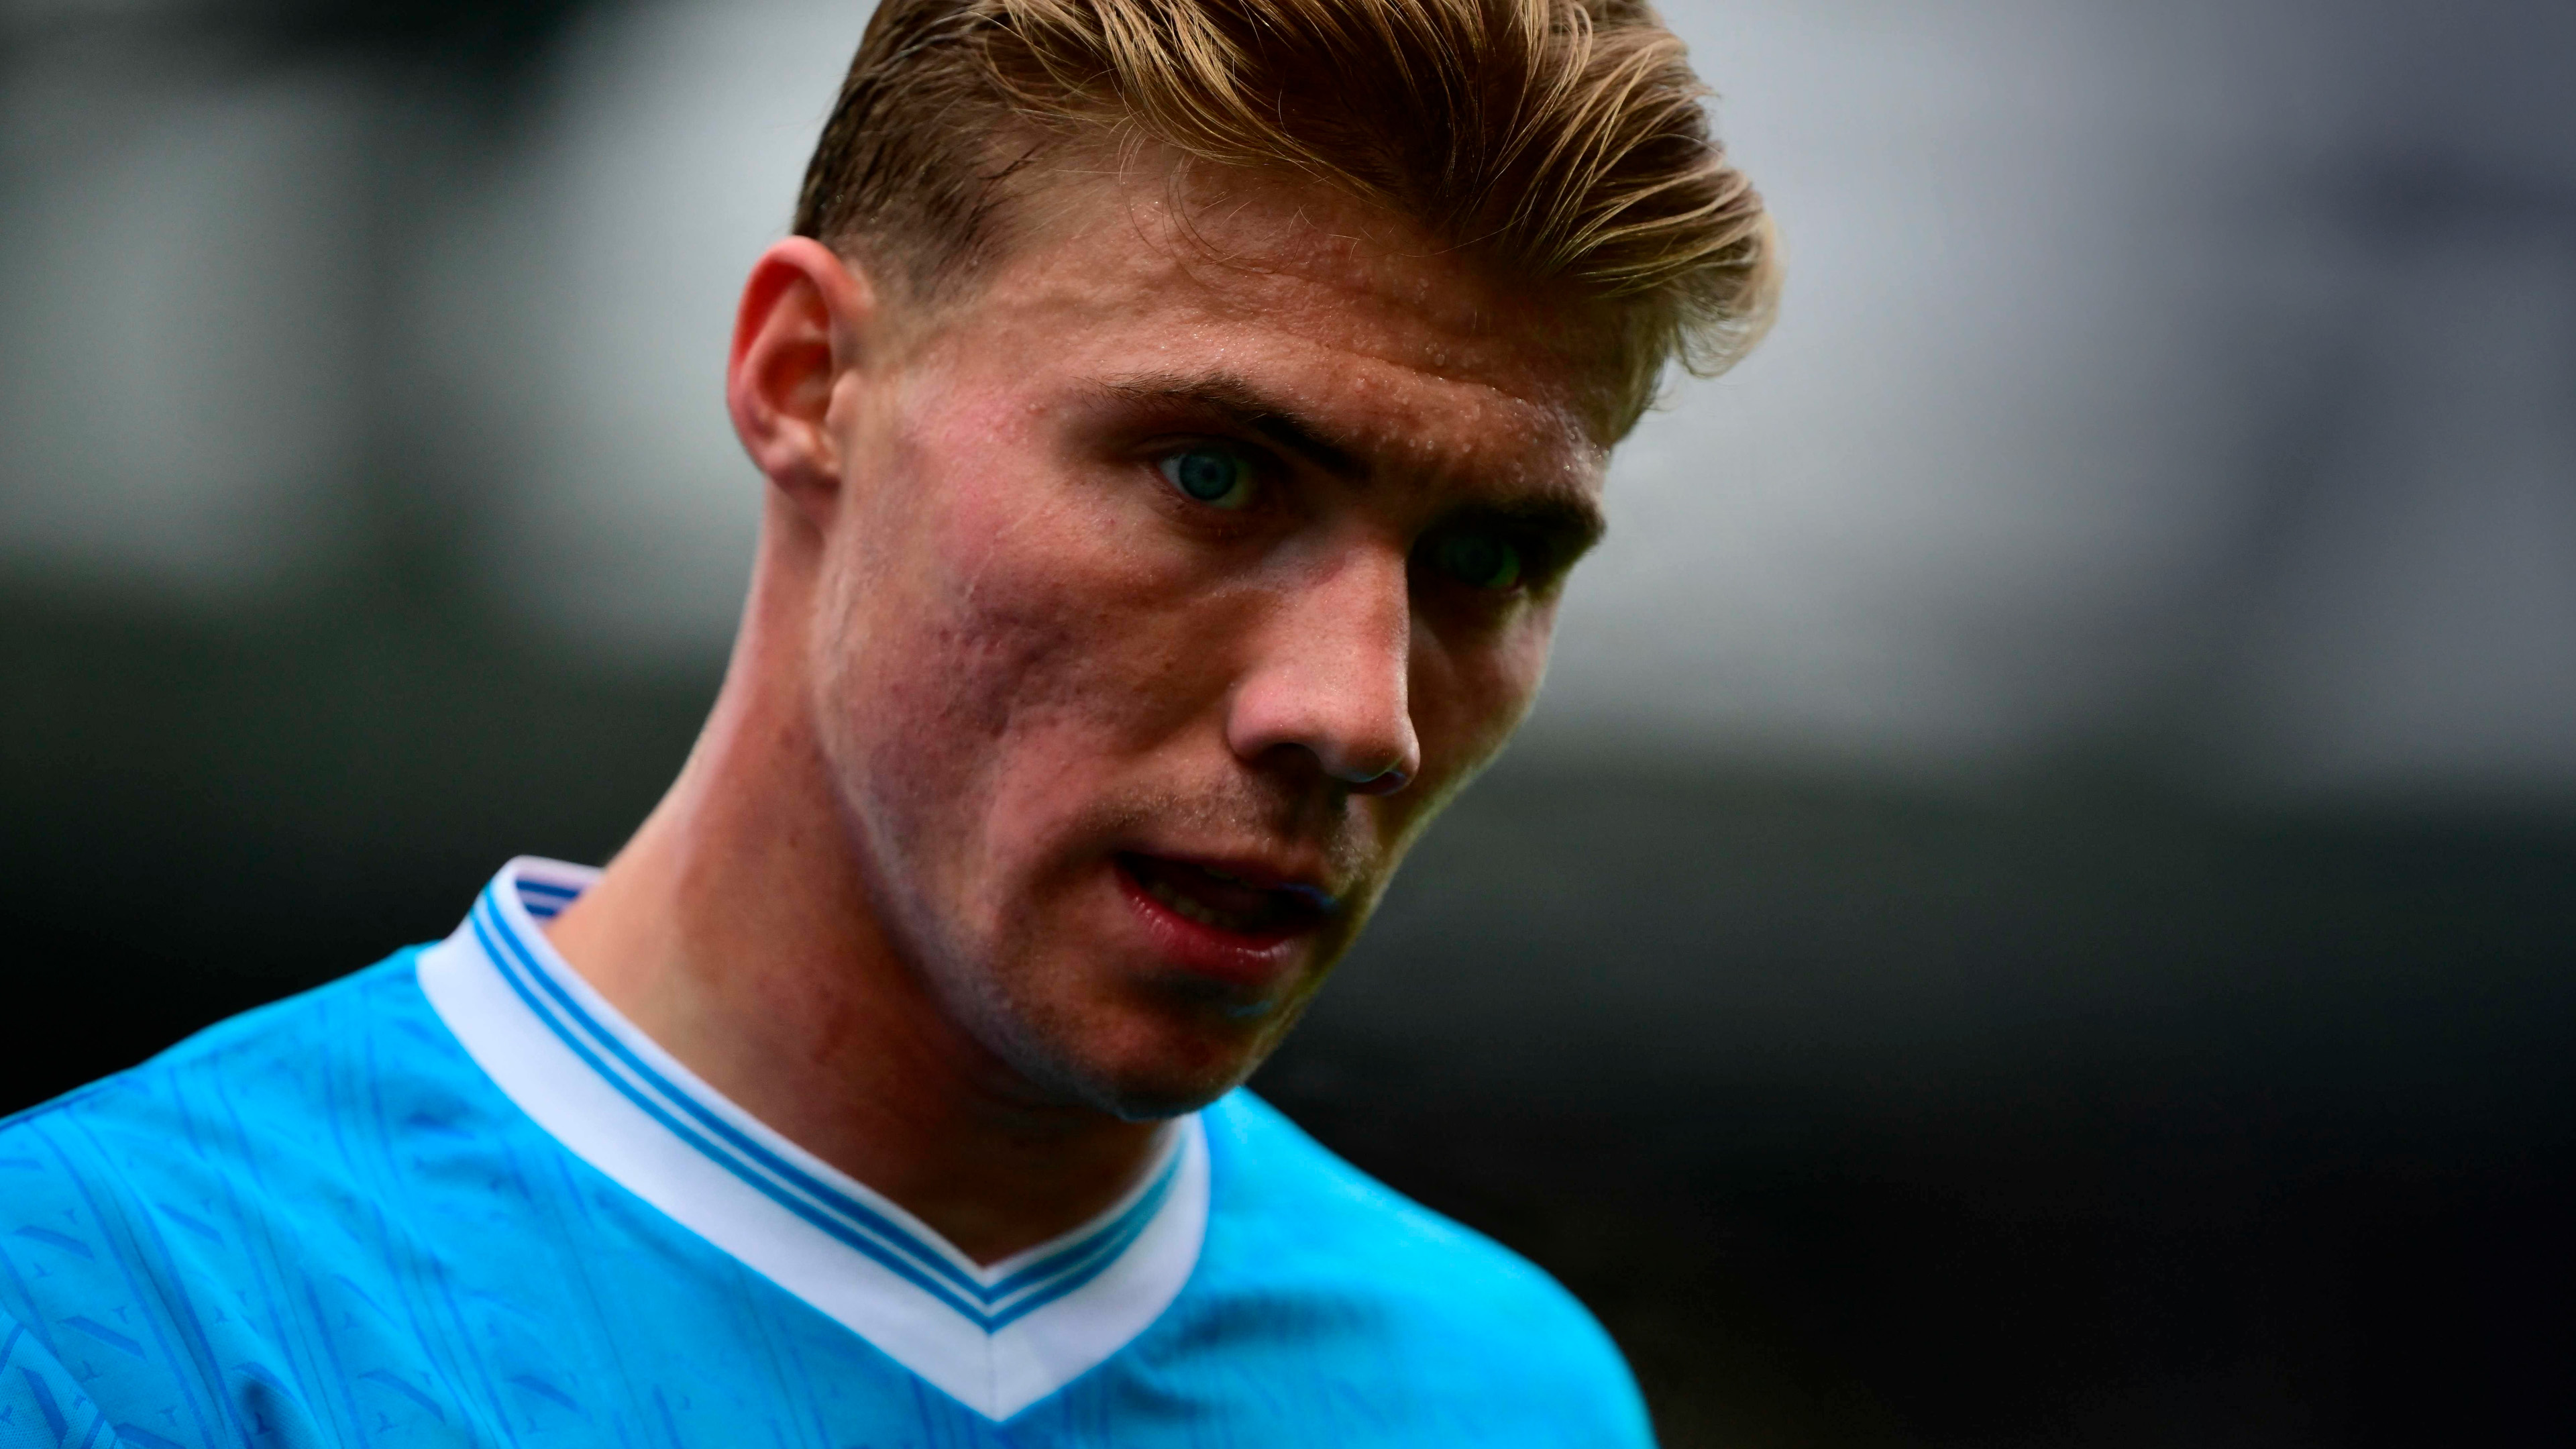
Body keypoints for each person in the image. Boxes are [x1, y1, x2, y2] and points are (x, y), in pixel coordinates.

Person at [0, 0, 1773, 1442]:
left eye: (1487, 560)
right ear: (807, 381)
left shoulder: (1503, 1404)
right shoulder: (107, 1315)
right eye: (1214, 475)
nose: (1356, 715)